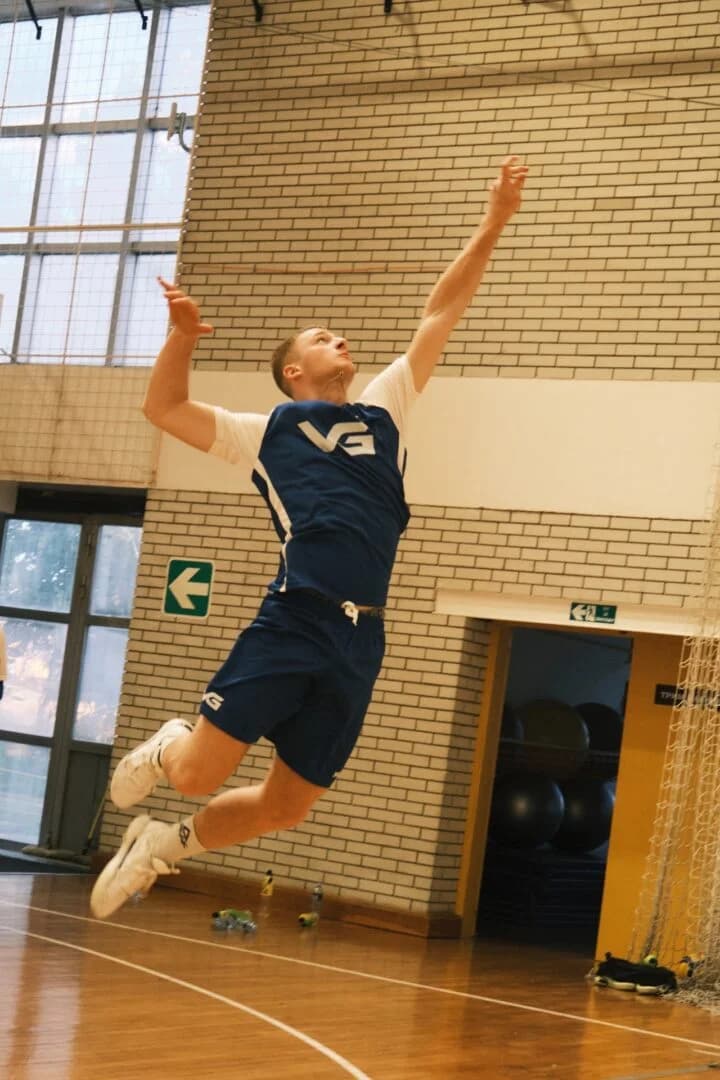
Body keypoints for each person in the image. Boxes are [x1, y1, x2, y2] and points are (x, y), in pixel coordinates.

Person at [90, 156, 528, 919]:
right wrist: (182, 338)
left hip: (363, 638)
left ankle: (163, 846)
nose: (342, 340)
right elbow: (164, 408)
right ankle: (165, 750)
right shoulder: (265, 433)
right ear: (295, 370)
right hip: (296, 616)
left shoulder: (384, 410)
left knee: (290, 806)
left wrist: (492, 225)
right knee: (196, 773)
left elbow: (439, 314)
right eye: (325, 337)